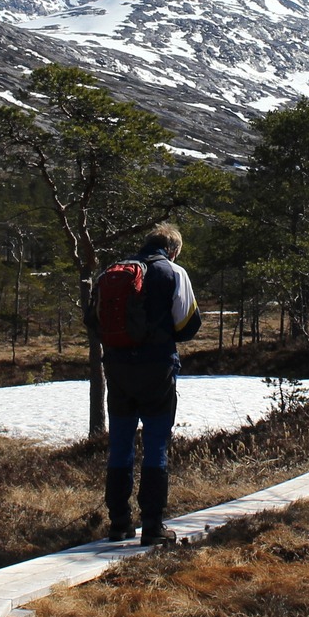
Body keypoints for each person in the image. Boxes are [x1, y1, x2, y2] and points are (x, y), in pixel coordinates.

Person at [101, 221, 201, 545]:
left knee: (120, 444)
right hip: (157, 369)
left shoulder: (113, 271)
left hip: (116, 369)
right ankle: (153, 525)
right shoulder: (174, 273)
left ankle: (118, 522)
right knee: (156, 445)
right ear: (173, 249)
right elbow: (188, 325)